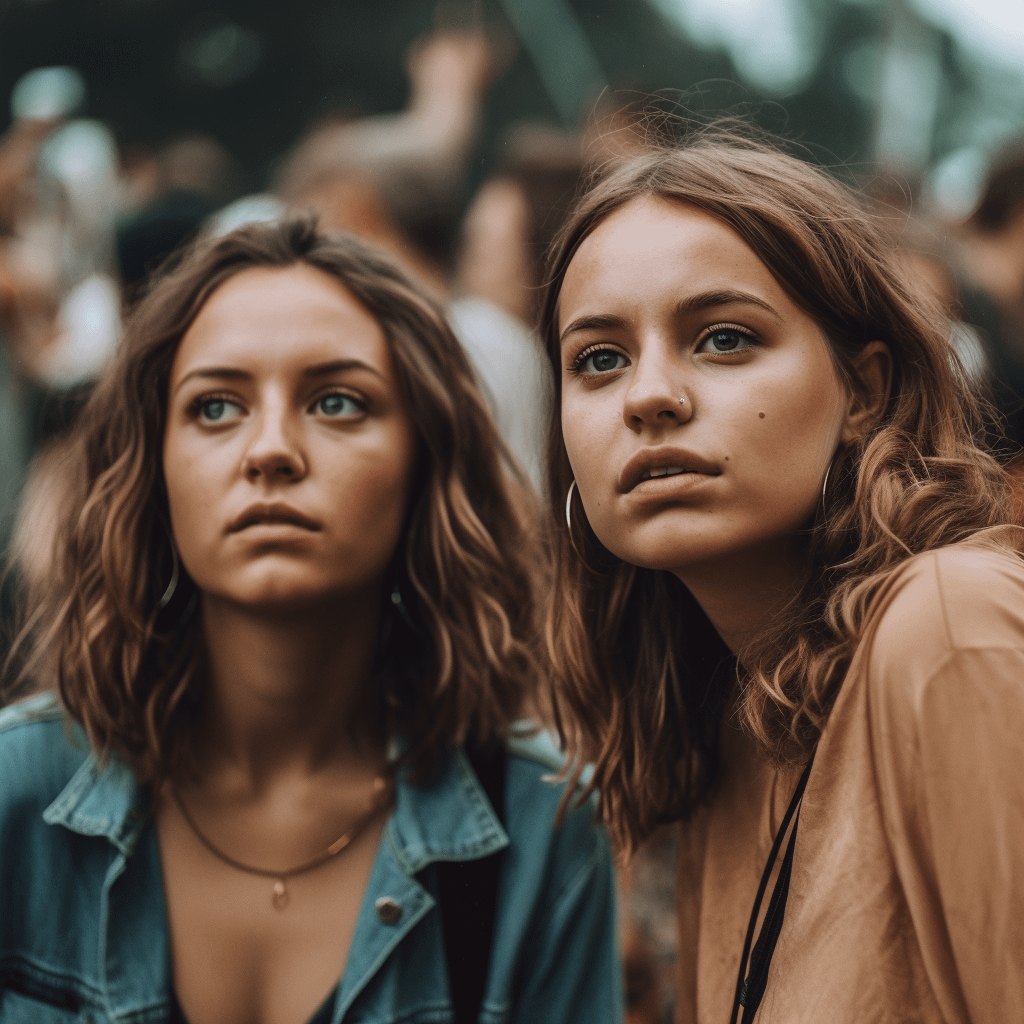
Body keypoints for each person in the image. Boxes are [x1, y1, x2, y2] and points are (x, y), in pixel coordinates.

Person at [0, 218, 621, 1024]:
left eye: (337, 401)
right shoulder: (18, 799)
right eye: (216, 407)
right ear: (154, 465)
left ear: (425, 462)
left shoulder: (539, 828)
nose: (271, 450)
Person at [540, 131, 1024, 1023]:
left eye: (723, 339)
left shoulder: (948, 626)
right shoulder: (713, 735)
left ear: (865, 393)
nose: (649, 395)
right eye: (599, 358)